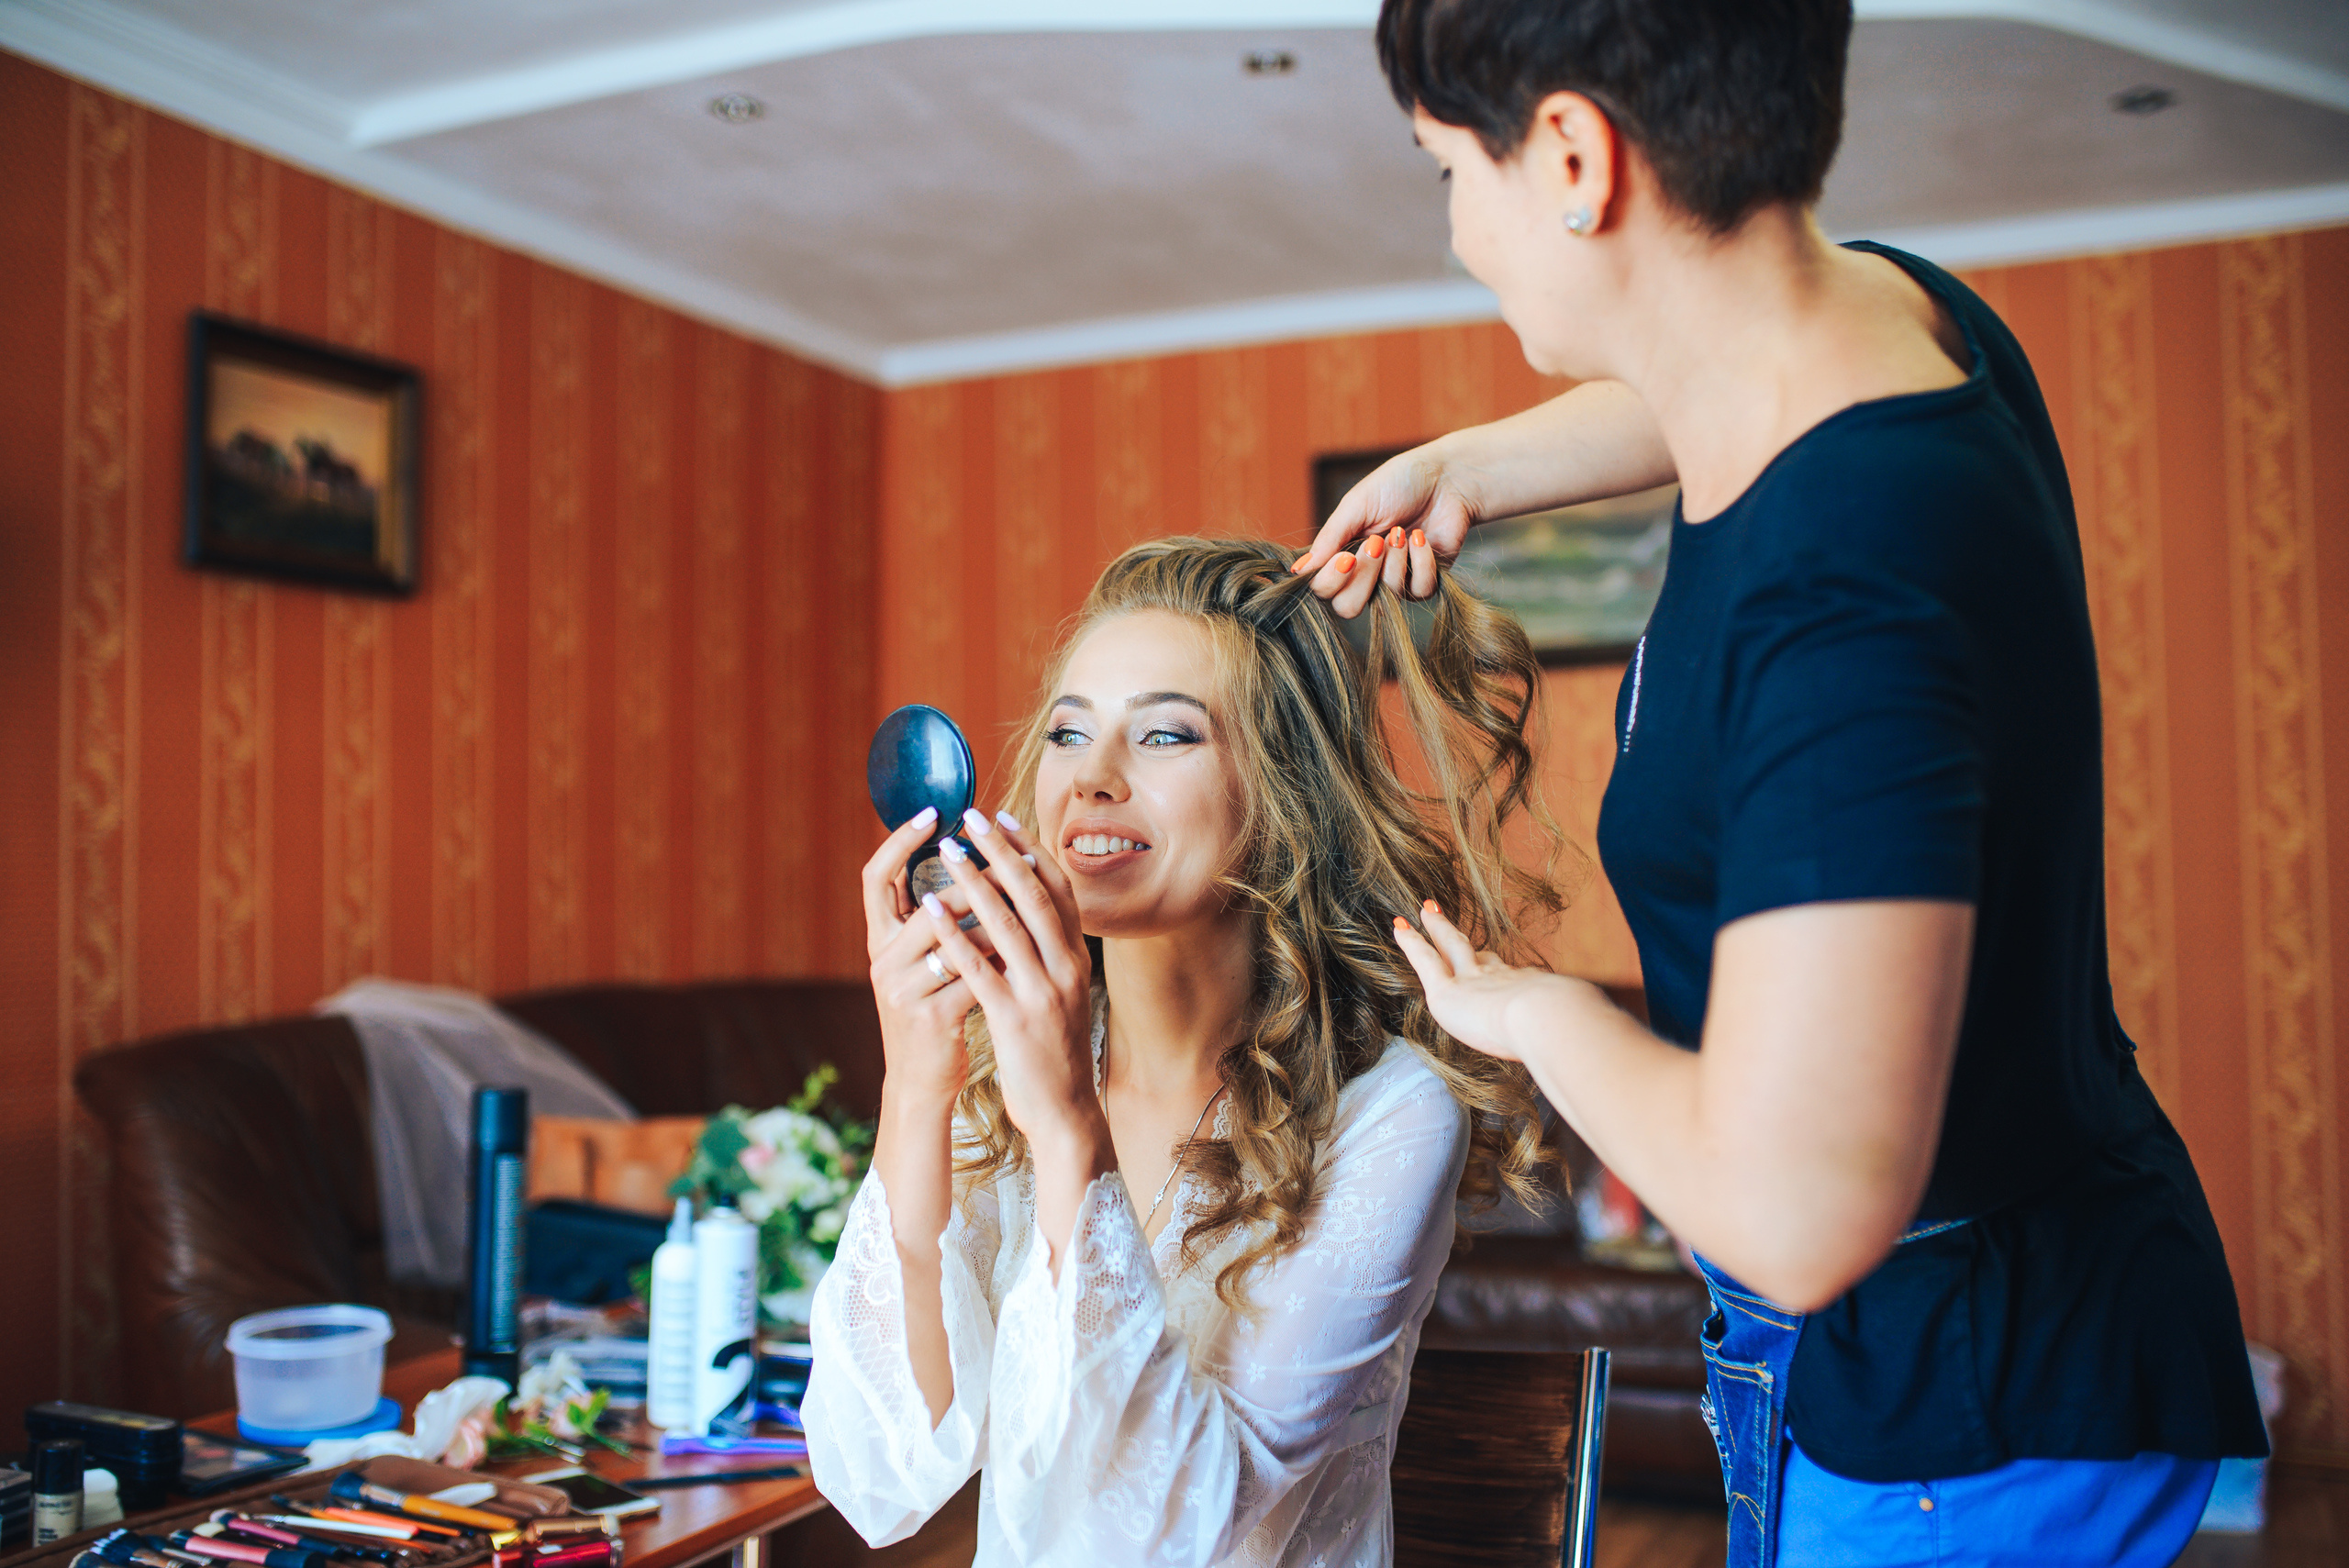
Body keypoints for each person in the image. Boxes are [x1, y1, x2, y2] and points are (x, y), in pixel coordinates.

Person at [1286, 3, 2268, 1564]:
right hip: (2032, 1318)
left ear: (1568, 156)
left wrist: (1546, 1015)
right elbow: (1693, 378)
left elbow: (1802, 1211)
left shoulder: (1847, 585)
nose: (1461, 233)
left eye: (1444, 171)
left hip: (1965, 1417)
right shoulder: (1895, 321)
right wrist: (1470, 458)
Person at [803, 537, 1564, 1567]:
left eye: (1164, 735)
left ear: (1283, 794)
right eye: (1069, 732)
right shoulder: (1010, 1069)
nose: (1092, 780)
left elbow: (1180, 1522)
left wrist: (1071, 1129)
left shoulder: (1390, 1112)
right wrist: (918, 1082)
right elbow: (882, 1467)